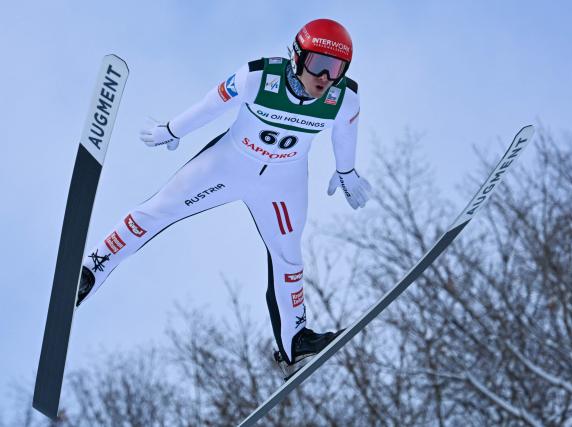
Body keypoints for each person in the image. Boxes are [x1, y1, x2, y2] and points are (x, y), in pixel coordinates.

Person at [76, 18, 371, 379]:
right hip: (227, 167)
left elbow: (345, 133)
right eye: (318, 65)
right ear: (297, 57)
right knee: (157, 211)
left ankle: (294, 343)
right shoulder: (259, 78)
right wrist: (173, 130)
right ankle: (92, 269)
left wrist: (346, 171)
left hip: (283, 183)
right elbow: (209, 106)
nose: (326, 77)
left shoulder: (343, 97)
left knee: (289, 257)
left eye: (337, 69)